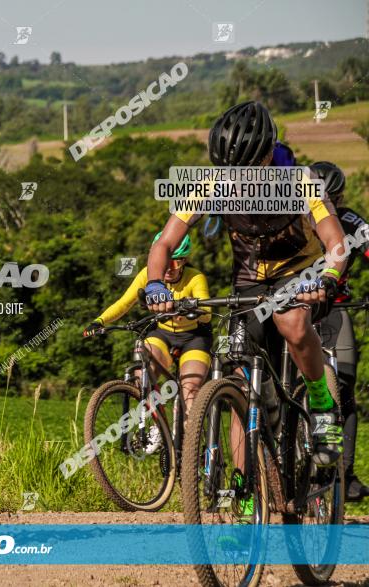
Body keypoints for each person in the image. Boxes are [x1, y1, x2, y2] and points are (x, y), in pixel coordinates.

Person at [148, 101, 346, 468]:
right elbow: (164, 242)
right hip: (248, 279)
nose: (239, 181)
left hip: (299, 271)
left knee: (291, 321)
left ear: (270, 155)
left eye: (248, 170)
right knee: (241, 382)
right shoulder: (211, 184)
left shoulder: (302, 181)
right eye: (231, 172)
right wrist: (156, 284)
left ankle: (321, 403)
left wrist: (329, 276)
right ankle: (244, 494)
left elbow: (335, 240)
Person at [84, 233, 211, 415]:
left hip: (194, 338)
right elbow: (124, 303)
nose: (168, 268)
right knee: (142, 376)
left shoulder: (195, 277)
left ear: (184, 261)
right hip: (163, 334)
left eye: (174, 262)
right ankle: (160, 428)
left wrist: (193, 313)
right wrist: (99, 321)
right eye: (164, 261)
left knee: (190, 391)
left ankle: (190, 439)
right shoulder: (148, 274)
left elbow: (207, 315)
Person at [311, 161, 369, 500]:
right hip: (296, 308)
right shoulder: (296, 217)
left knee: (344, 390)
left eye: (334, 197)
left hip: (337, 309)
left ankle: (345, 475)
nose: (329, 204)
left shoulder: (349, 220)